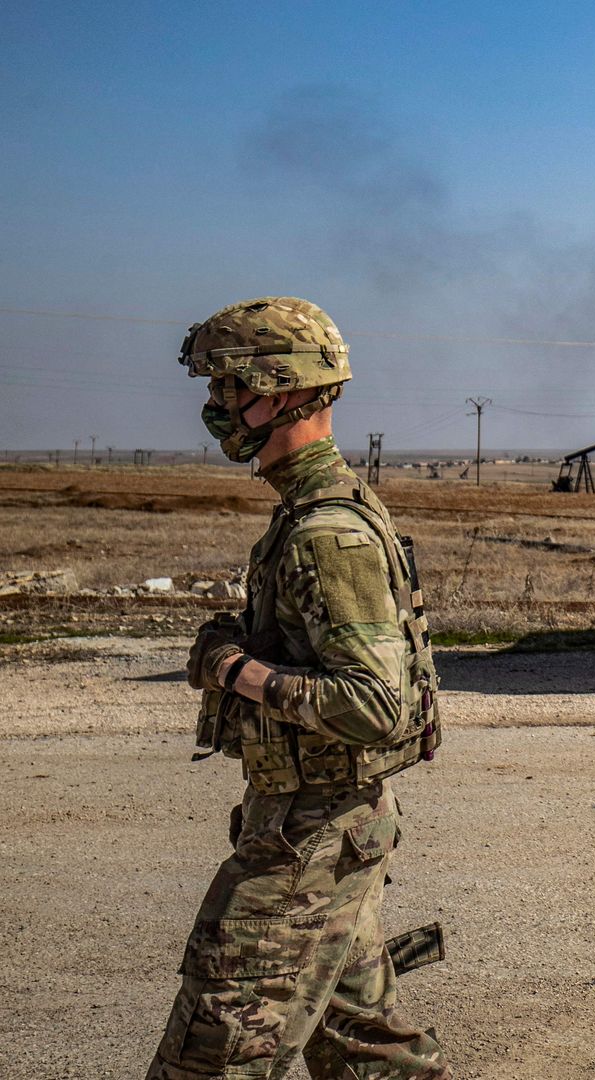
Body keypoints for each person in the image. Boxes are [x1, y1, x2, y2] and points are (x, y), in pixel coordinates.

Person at [151, 297, 448, 1079]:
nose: (213, 407)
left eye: (225, 387)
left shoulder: (327, 530)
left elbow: (375, 705)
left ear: (280, 392)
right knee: (366, 1053)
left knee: (214, 1055)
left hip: (309, 839)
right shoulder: (311, 512)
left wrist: (231, 669)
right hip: (324, 823)